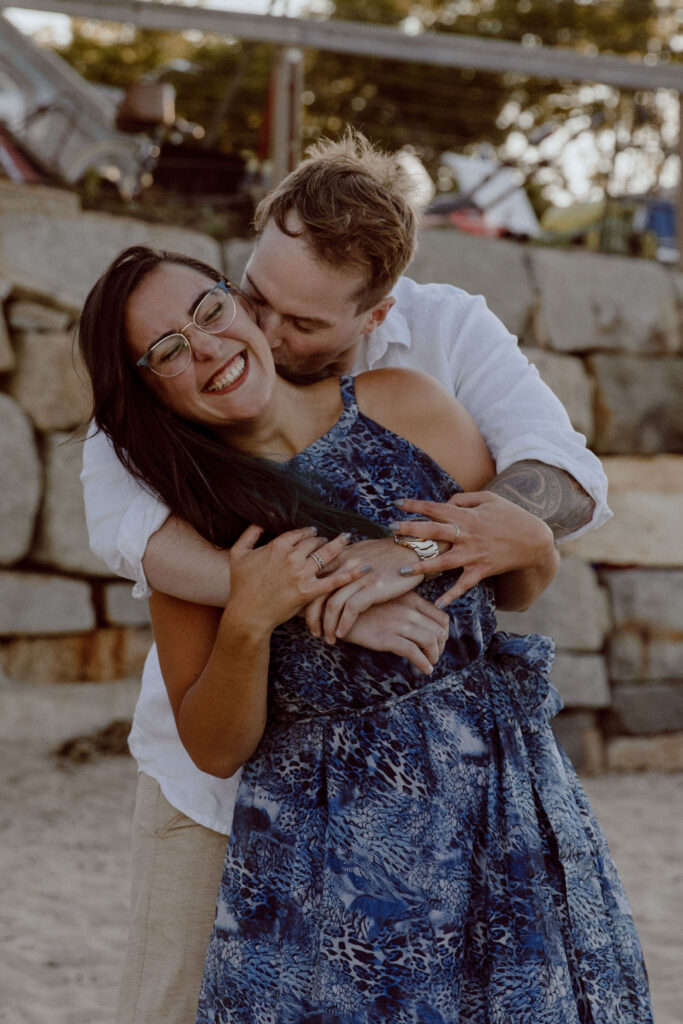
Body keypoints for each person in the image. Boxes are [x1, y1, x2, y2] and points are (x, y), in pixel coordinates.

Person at [80, 132, 612, 1022]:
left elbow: (543, 512)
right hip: (257, 809)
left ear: (373, 315)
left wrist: (428, 552)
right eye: (254, 299)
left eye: (301, 323)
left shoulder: (424, 369)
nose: (260, 336)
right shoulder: (176, 466)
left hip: (480, 801)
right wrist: (283, 597)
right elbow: (139, 549)